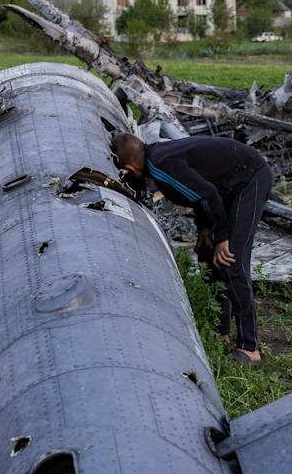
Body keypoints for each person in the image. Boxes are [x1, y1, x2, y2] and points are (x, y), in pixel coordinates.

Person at [112, 132, 272, 365]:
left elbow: (207, 194)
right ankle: (222, 331)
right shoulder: (157, 155)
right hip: (228, 184)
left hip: (250, 177)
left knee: (231, 261)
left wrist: (221, 237)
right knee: (207, 255)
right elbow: (199, 189)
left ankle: (249, 347)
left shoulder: (161, 168)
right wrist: (205, 229)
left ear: (128, 167)